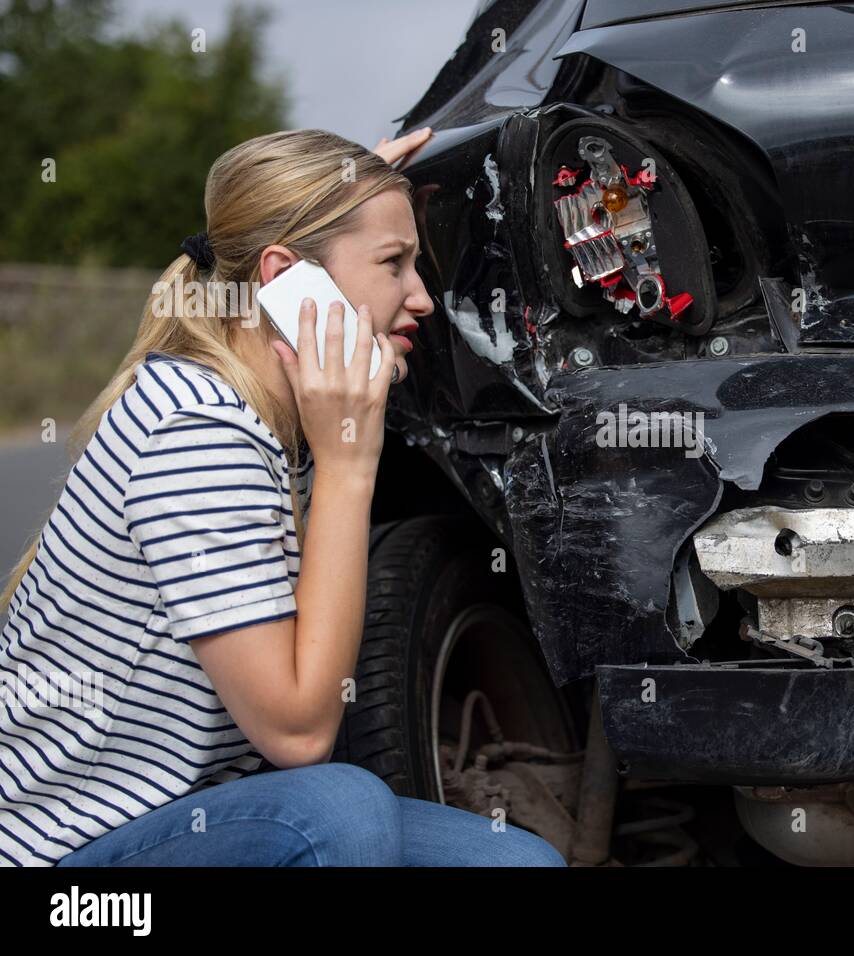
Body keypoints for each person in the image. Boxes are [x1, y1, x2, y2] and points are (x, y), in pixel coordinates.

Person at [0, 128, 567, 867]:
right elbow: (299, 734)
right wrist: (347, 466)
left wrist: (347, 191)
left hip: (192, 814)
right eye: (394, 263)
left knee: (518, 864)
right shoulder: (196, 434)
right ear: (289, 280)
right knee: (335, 811)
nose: (422, 298)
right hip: (69, 864)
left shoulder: (258, 410)